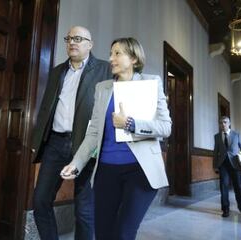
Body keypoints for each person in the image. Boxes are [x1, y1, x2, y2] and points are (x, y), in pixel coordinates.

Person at [61, 37, 172, 240]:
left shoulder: (151, 82)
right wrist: (76, 162)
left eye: (117, 53)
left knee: (123, 233)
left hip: (140, 170)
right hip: (106, 170)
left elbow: (165, 127)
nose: (111, 58)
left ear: (134, 58)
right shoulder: (102, 88)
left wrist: (130, 124)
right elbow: (94, 131)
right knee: (103, 233)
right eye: (111, 53)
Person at [30, 26, 112, 240]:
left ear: (90, 44)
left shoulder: (105, 70)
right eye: (69, 39)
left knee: (84, 209)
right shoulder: (57, 71)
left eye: (78, 38)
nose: (72, 42)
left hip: (86, 144)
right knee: (40, 201)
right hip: (55, 144)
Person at [213, 116, 241, 217]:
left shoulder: (236, 134)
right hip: (223, 165)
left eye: (225, 122)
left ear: (229, 123)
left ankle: (239, 203)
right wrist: (215, 165)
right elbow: (216, 152)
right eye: (220, 123)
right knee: (223, 186)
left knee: (238, 187)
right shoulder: (217, 136)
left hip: (235, 165)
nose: (222, 124)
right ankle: (225, 209)